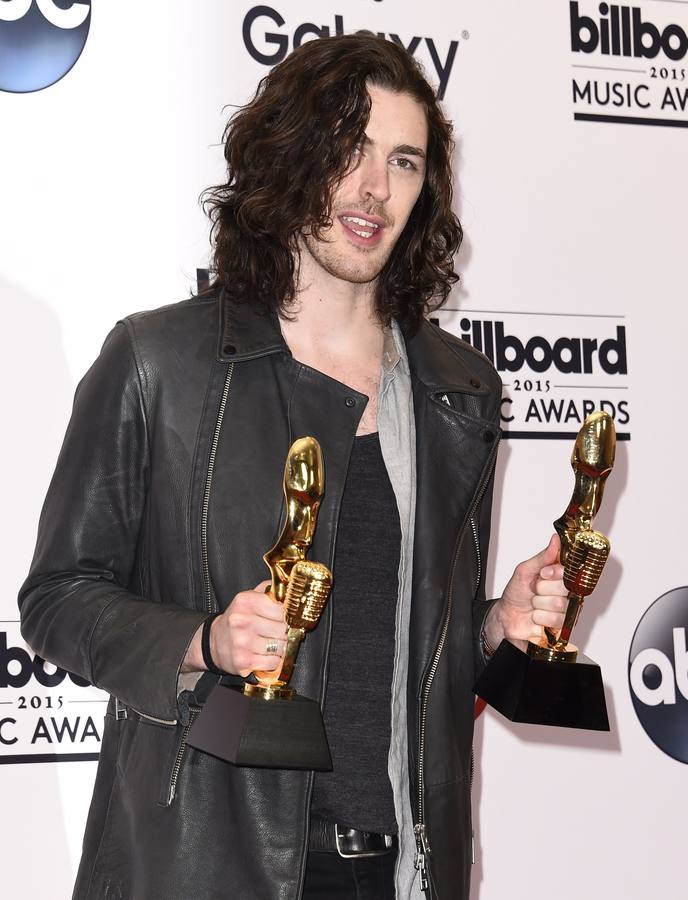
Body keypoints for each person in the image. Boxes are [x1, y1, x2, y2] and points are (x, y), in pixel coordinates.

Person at [19, 35, 568, 900]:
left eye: (404, 162)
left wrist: (496, 623)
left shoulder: (455, 389)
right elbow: (56, 598)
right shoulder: (158, 363)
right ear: (292, 156)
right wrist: (203, 641)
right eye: (348, 151)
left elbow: (406, 644)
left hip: (399, 866)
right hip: (205, 862)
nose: (373, 190)